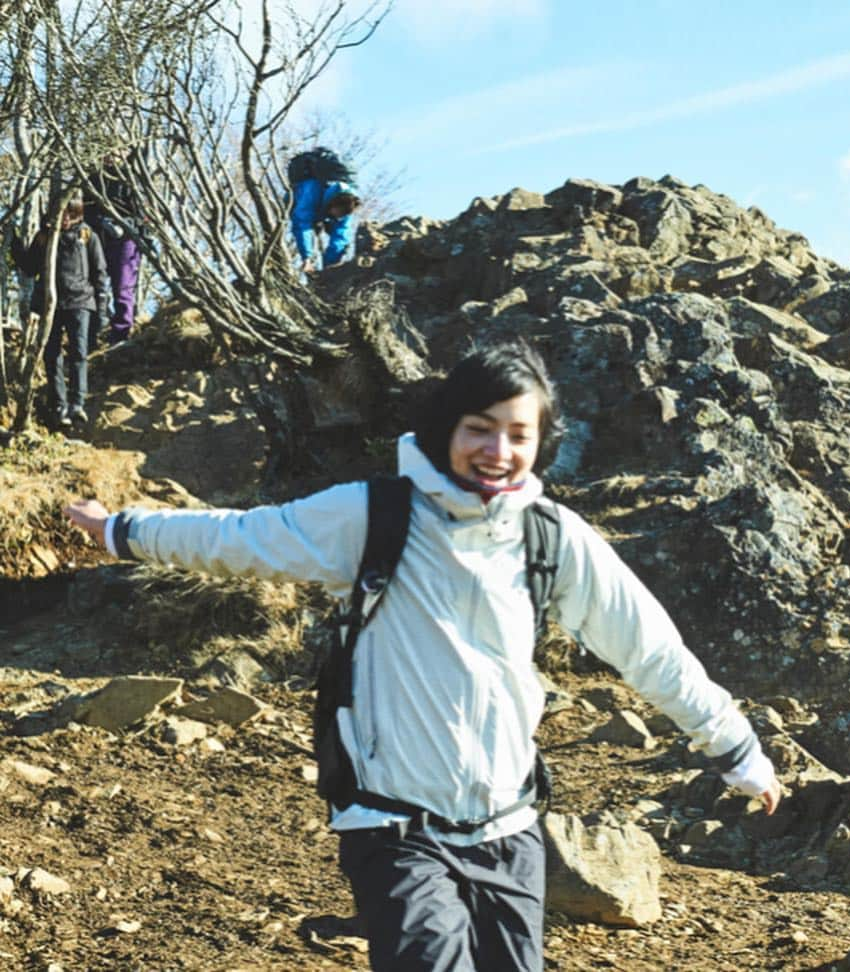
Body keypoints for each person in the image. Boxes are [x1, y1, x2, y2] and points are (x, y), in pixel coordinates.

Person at [65, 341, 781, 972]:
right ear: (445, 431)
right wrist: (125, 530)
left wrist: (734, 746)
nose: (497, 451)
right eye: (479, 429)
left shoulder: (554, 540)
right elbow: (247, 539)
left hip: (510, 828)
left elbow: (650, 647)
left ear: (541, 443)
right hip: (393, 825)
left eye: (517, 434)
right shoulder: (376, 515)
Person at [13, 191, 109, 428]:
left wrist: (102, 310)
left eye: (70, 214)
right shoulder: (44, 236)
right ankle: (59, 404)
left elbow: (99, 273)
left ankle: (77, 404)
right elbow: (29, 267)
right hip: (49, 304)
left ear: (77, 214)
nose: (65, 218)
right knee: (51, 354)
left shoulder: (88, 236)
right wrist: (14, 242)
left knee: (78, 352)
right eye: (61, 213)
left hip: (80, 302)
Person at [84, 155, 145, 346]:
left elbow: (143, 213)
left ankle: (121, 334)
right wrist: (99, 222)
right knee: (94, 287)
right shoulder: (91, 179)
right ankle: (93, 333)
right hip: (98, 239)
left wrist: (126, 224)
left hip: (125, 240)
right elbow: (86, 211)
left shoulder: (131, 177)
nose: (109, 158)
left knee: (123, 287)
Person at [291, 176, 360, 274]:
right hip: (296, 201)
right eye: (337, 213)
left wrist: (329, 267)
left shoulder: (348, 206)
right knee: (304, 224)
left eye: (341, 216)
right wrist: (307, 258)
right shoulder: (312, 190)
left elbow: (340, 238)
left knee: (337, 234)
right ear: (333, 205)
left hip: (322, 210)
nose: (338, 217)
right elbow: (302, 225)